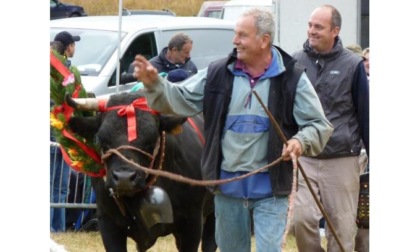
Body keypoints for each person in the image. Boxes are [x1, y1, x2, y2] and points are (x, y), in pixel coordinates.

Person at [132, 8, 333, 252]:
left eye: (242, 35)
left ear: (264, 40)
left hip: (272, 188)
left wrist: (300, 141)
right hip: (227, 189)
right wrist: (154, 83)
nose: (234, 40)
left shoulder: (291, 77)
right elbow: (179, 99)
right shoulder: (217, 74)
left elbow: (319, 125)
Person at [290, 5, 369, 252]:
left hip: (343, 158)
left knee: (342, 230)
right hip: (306, 155)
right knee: (300, 221)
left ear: (335, 31)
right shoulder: (295, 61)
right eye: (310, 25)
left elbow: (365, 114)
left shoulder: (353, 64)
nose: (311, 31)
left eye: (318, 27)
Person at [50, 31, 81, 232]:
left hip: (59, 130)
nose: (75, 48)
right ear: (68, 47)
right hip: (59, 130)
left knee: (58, 185)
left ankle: (58, 229)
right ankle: (54, 228)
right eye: (73, 45)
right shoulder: (66, 72)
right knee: (56, 184)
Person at [121, 32, 198, 84]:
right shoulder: (152, 68)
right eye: (186, 52)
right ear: (174, 50)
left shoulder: (191, 67)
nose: (189, 56)